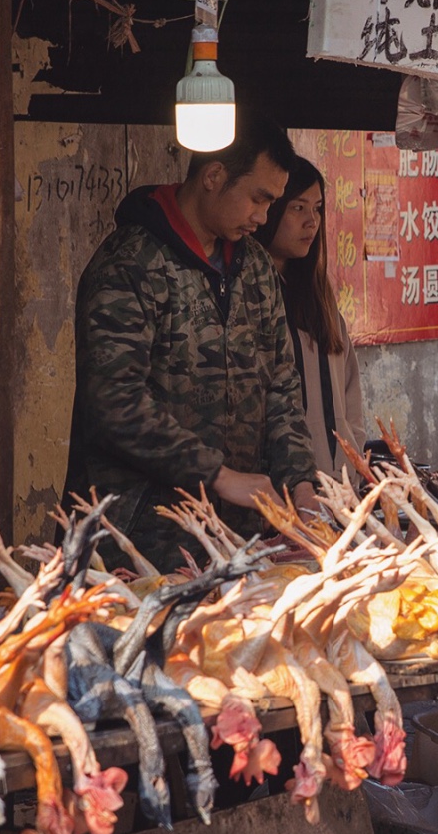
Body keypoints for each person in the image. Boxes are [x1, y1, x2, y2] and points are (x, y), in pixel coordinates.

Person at [65, 116, 320, 568]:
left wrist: (300, 485)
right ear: (214, 177)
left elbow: (281, 385)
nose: (264, 218)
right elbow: (113, 404)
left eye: (272, 203)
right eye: (258, 199)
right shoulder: (129, 264)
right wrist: (218, 476)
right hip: (134, 540)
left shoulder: (256, 268)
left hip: (233, 540)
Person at [257, 157, 367, 477]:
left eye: (317, 208)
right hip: (281, 488)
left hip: (341, 484)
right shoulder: (251, 302)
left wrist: (353, 460)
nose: (312, 221)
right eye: (298, 207)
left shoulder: (321, 303)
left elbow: (351, 397)